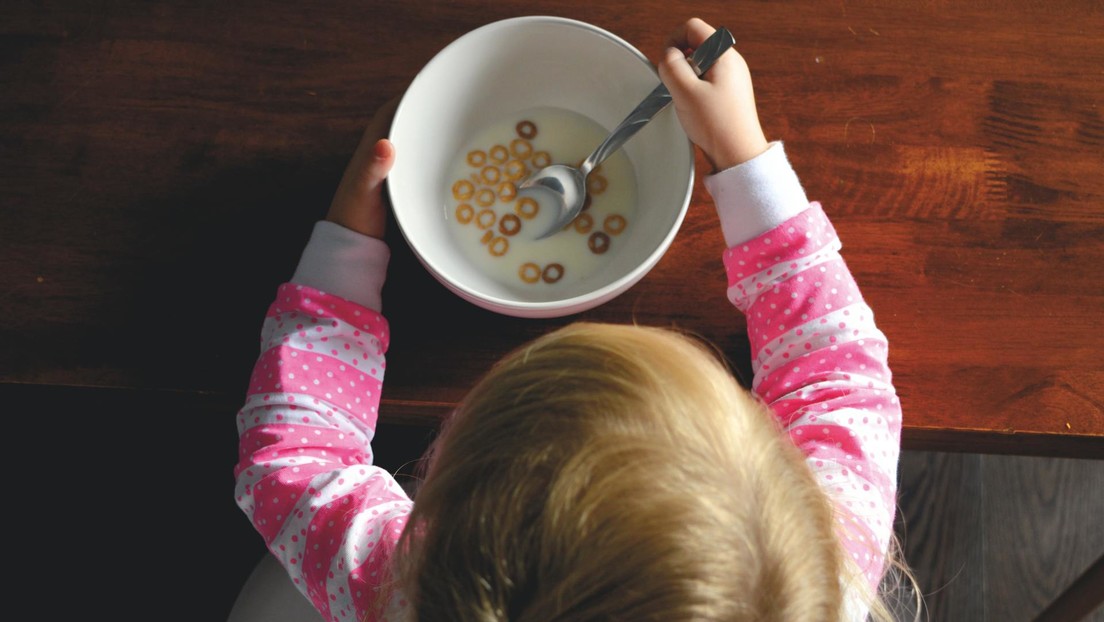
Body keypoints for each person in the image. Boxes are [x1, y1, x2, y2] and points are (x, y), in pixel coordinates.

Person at [233, 17, 914, 622]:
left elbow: (295, 463)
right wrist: (742, 154)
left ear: (448, 515)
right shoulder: (822, 569)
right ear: (782, 480)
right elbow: (837, 376)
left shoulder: (403, 587)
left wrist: (348, 241)